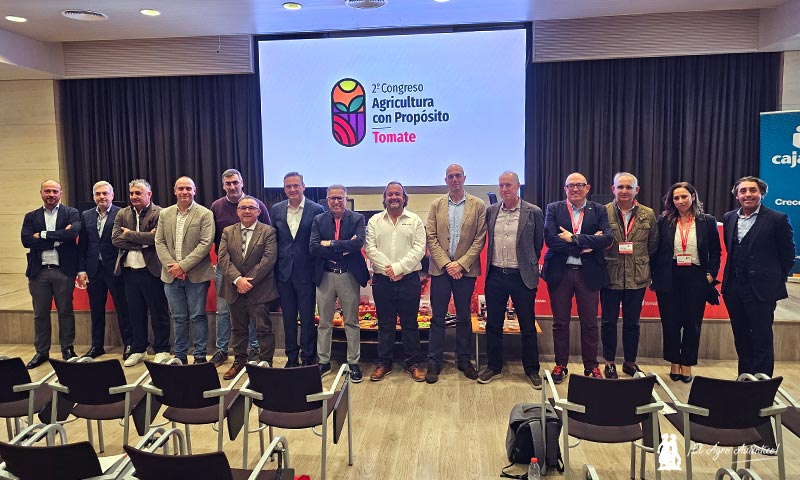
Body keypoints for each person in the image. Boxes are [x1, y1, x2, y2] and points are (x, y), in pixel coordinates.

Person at [542, 172, 613, 382]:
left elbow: (607, 238)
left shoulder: (598, 210)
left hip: (588, 274)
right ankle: (560, 365)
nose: (575, 189)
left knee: (590, 323)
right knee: (560, 323)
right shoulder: (553, 208)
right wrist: (584, 247)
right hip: (560, 273)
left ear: (587, 188)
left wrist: (574, 238)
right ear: (565, 189)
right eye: (571, 185)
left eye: (579, 185)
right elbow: (551, 239)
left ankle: (591, 366)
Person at [722, 176, 795, 377]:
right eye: (743, 191)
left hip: (762, 291)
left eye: (752, 190)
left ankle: (762, 386)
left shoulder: (777, 219)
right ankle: (744, 379)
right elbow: (732, 250)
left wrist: (771, 279)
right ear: (737, 195)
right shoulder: (729, 217)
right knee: (741, 338)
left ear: (761, 193)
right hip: (734, 289)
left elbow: (787, 255)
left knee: (762, 339)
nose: (748, 195)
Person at [478, 171, 543, 386]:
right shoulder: (491, 211)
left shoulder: (533, 212)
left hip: (521, 276)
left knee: (527, 325)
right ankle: (494, 367)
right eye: (501, 185)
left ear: (518, 186)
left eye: (508, 185)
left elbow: (537, 244)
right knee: (493, 324)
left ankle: (532, 369)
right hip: (496, 274)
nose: (504, 189)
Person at [651, 182, 720, 383]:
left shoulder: (707, 221)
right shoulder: (664, 220)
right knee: (670, 323)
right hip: (669, 275)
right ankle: (674, 362)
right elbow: (655, 250)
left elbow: (716, 252)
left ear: (693, 197)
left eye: (684, 197)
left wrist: (710, 274)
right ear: (671, 201)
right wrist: (656, 274)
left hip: (696, 276)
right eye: (676, 198)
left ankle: (687, 363)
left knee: (692, 323)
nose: (680, 201)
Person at [425, 164, 487, 383]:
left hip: (465, 271)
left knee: (463, 317)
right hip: (440, 271)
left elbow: (480, 238)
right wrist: (446, 264)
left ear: (464, 178)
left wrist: (460, 264)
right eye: (450, 176)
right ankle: (434, 361)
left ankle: (464, 360)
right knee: (437, 318)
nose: (454, 179)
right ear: (446, 180)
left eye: (458, 176)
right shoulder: (436, 205)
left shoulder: (478, 205)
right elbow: (431, 236)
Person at [365, 181, 426, 382]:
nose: (393, 197)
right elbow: (370, 248)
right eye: (390, 194)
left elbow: (419, 249)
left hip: (408, 280)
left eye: (397, 194)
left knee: (410, 324)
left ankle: (413, 363)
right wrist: (390, 270)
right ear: (385, 198)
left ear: (404, 197)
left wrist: (399, 268)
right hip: (382, 281)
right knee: (385, 324)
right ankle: (384, 362)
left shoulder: (415, 220)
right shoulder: (374, 220)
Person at [209, 169, 271, 368]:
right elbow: (218, 245)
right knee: (225, 313)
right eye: (228, 184)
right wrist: (236, 278)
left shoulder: (258, 205)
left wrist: (249, 279)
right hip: (227, 272)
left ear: (242, 182)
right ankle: (224, 351)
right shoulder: (216, 207)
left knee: (256, 316)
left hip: (256, 276)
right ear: (223, 185)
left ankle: (255, 351)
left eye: (235, 182)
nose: (232, 186)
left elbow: (268, 244)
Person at [599, 173, 658, 378]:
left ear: (636, 190)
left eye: (628, 187)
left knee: (633, 323)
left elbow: (653, 246)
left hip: (637, 277)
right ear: (613, 189)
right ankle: (609, 363)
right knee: (608, 322)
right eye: (620, 187)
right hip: (610, 275)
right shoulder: (602, 212)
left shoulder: (648, 214)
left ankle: (630, 362)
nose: (624, 191)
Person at [310, 185, 370, 383]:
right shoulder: (319, 220)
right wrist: (343, 246)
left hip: (348, 276)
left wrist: (331, 244)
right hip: (325, 275)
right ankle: (324, 362)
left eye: (340, 198)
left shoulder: (357, 219)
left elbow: (358, 243)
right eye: (332, 198)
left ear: (346, 199)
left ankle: (353, 363)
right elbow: (314, 248)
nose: (336, 201)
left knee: (351, 322)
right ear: (327, 200)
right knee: (324, 323)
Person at [217, 196, 279, 380]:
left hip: (259, 289)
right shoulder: (228, 231)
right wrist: (237, 280)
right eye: (243, 208)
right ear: (237, 211)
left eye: (251, 208)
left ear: (258, 211)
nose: (247, 211)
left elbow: (268, 260)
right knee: (238, 329)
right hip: (234, 288)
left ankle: (266, 362)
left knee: (263, 328)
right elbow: (223, 258)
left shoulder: (268, 231)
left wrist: (248, 281)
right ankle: (239, 361)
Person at [21, 180, 81, 368]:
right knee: (40, 314)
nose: (51, 194)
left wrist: (43, 235)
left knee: (65, 311)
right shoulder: (31, 216)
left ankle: (67, 349)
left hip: (63, 271)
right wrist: (58, 237)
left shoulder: (70, 213)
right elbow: (26, 240)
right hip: (39, 273)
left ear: (61, 193)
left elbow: (72, 235)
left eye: (54, 191)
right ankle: (41, 352)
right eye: (47, 191)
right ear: (41, 193)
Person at [155, 176, 215, 364]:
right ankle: (180, 356)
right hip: (171, 275)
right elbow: (159, 241)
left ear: (194, 190)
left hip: (196, 275)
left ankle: (199, 356)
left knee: (198, 316)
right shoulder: (165, 214)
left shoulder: (205, 214)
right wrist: (173, 267)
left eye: (188, 188)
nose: (184, 192)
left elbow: (205, 244)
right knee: (179, 317)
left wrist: (183, 266)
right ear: (174, 191)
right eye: (181, 188)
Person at [112, 179, 172, 366]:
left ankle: (162, 349)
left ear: (149, 194)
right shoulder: (122, 213)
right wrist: (144, 241)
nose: (134, 197)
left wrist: (129, 234)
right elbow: (115, 239)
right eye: (131, 193)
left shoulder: (160, 213)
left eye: (138, 193)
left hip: (151, 271)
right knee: (135, 312)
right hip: (129, 272)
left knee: (158, 311)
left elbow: (157, 239)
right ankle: (139, 349)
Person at [271, 172, 324, 367]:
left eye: (296, 185)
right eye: (288, 186)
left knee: (308, 318)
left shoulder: (317, 209)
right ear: (284, 189)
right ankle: (291, 358)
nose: (292, 189)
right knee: (288, 319)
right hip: (284, 273)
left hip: (307, 272)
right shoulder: (276, 209)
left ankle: (309, 357)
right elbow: (273, 240)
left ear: (304, 186)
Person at [77, 181, 132, 359]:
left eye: (105, 194)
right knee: (96, 309)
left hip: (115, 268)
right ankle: (97, 346)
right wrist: (81, 270)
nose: (102, 197)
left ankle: (129, 344)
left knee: (123, 308)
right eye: (98, 194)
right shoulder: (85, 215)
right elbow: (83, 245)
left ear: (112, 195)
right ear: (93, 196)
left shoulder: (122, 213)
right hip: (94, 269)